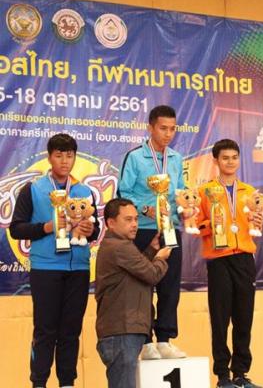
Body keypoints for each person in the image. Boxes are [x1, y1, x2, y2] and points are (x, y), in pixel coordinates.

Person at [10, 133, 100, 388]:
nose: (64, 161)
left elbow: (95, 230)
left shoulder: (84, 191)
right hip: (45, 269)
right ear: (49, 157)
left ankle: (67, 383)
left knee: (71, 331)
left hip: (78, 268)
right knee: (45, 330)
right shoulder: (34, 189)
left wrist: (89, 230)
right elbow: (16, 229)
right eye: (59, 155)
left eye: (69, 156)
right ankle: (38, 382)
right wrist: (47, 227)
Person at [117, 105, 186, 359]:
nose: (168, 134)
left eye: (172, 129)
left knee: (170, 285)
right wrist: (145, 209)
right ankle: (146, 342)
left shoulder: (176, 158)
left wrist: (185, 207)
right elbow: (123, 194)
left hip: (170, 229)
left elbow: (180, 191)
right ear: (150, 128)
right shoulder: (135, 157)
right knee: (143, 286)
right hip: (143, 231)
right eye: (163, 128)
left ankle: (165, 339)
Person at [196, 139, 263, 388]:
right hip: (218, 259)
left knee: (244, 318)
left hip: (244, 258)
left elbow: (254, 223)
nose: (230, 162)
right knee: (220, 319)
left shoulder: (249, 191)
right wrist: (212, 225)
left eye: (234, 157)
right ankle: (222, 375)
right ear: (216, 160)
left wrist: (258, 222)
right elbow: (196, 225)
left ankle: (241, 374)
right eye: (225, 158)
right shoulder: (204, 192)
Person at [95, 198, 171, 388]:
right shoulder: (120, 247)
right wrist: (160, 259)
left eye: (136, 219)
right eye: (128, 219)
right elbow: (151, 274)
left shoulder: (118, 246)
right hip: (122, 331)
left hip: (122, 331)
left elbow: (134, 273)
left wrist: (151, 251)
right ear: (111, 223)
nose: (135, 224)